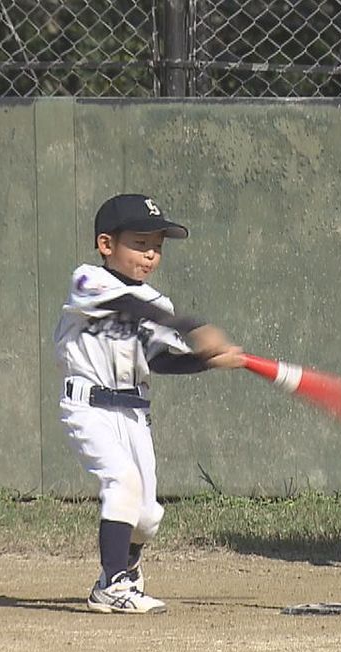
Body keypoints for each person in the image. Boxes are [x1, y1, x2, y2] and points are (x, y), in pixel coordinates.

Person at [54, 193, 244, 612]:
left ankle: (127, 569)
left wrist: (206, 360)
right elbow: (128, 305)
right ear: (107, 245)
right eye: (140, 243)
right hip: (88, 407)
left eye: (156, 246)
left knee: (147, 515)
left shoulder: (159, 304)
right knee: (121, 483)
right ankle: (111, 585)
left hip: (134, 413)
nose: (150, 254)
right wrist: (195, 326)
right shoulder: (88, 280)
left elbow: (159, 360)